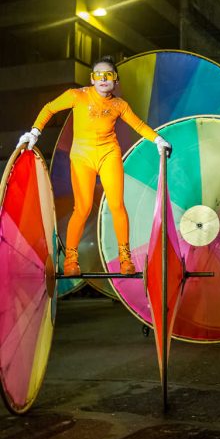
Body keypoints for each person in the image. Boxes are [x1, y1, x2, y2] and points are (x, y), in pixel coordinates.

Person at [16, 55, 172, 276]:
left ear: (116, 81)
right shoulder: (76, 96)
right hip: (82, 157)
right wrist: (35, 132)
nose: (103, 79)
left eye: (109, 75)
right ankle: (71, 261)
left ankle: (125, 259)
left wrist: (157, 139)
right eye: (99, 75)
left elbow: (138, 124)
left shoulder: (119, 105)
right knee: (83, 208)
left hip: (109, 154)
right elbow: (50, 108)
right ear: (92, 79)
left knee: (117, 205)